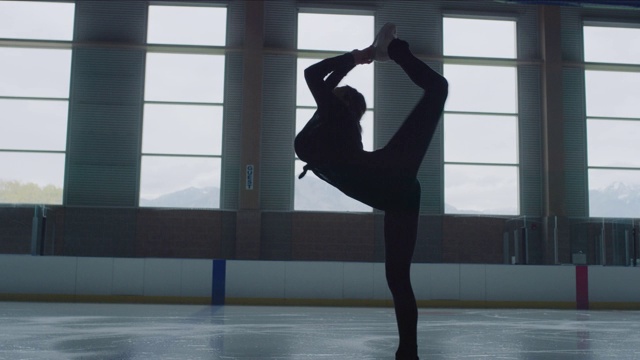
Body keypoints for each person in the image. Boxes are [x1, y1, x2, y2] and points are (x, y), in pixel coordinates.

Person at [294, 23, 448, 360]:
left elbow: (314, 76)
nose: (335, 89)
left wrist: (358, 57)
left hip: (388, 180)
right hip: (396, 188)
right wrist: (357, 58)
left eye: (340, 90)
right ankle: (408, 352)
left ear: (343, 101)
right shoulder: (330, 117)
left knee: (438, 88)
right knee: (397, 277)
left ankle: (393, 49)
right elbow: (320, 79)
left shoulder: (334, 114)